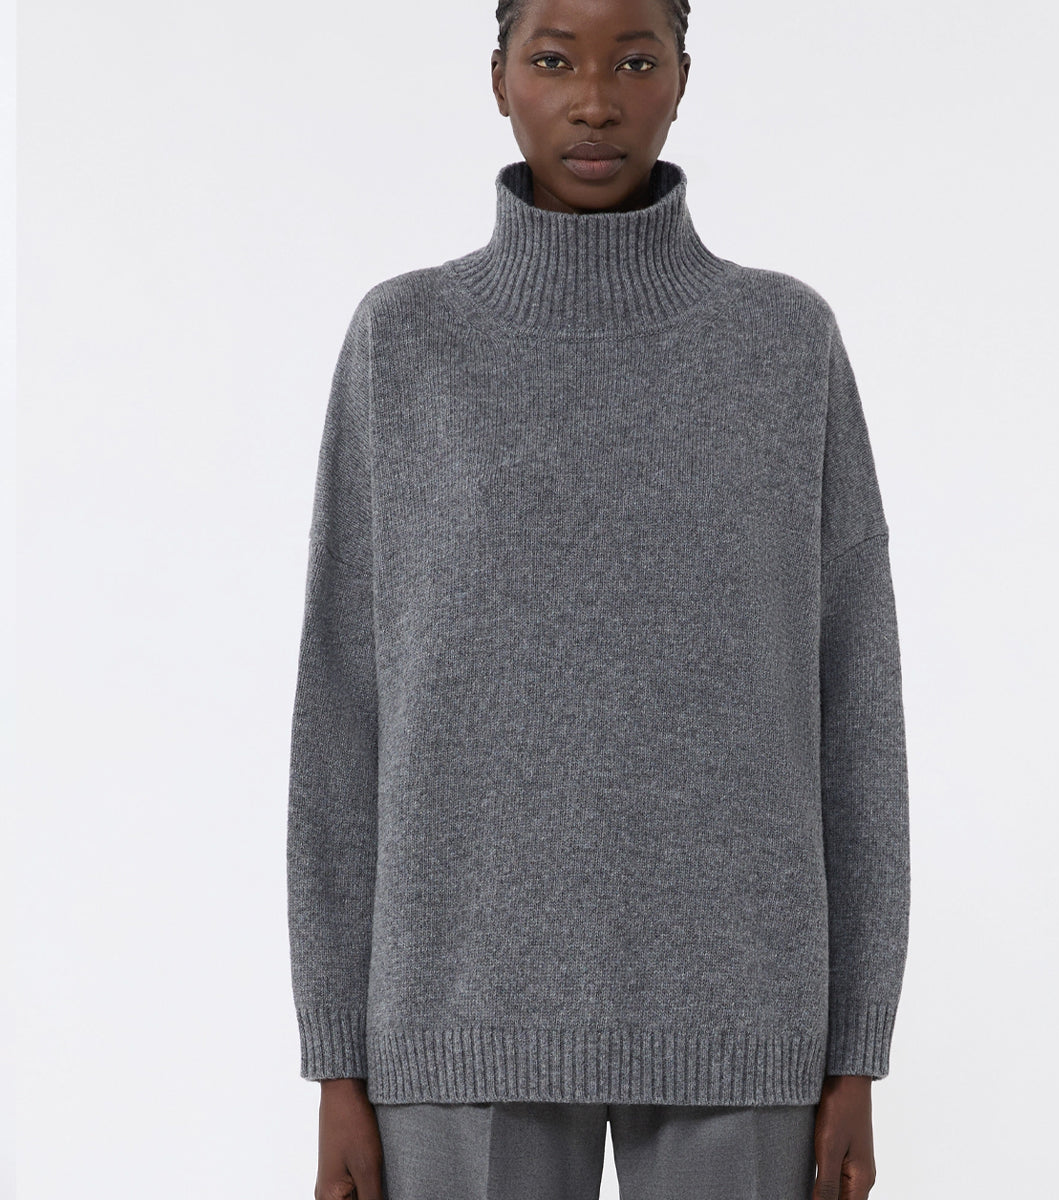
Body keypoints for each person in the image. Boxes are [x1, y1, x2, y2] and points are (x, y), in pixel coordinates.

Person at [285, 0, 912, 1197]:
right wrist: (337, 1064)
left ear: (681, 78)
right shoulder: (404, 344)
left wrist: (856, 1052)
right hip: (456, 1018)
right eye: (553, 59)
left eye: (634, 60)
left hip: (744, 1017)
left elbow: (856, 706)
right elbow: (343, 713)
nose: (593, 100)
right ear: (498, 78)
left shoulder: (785, 343)